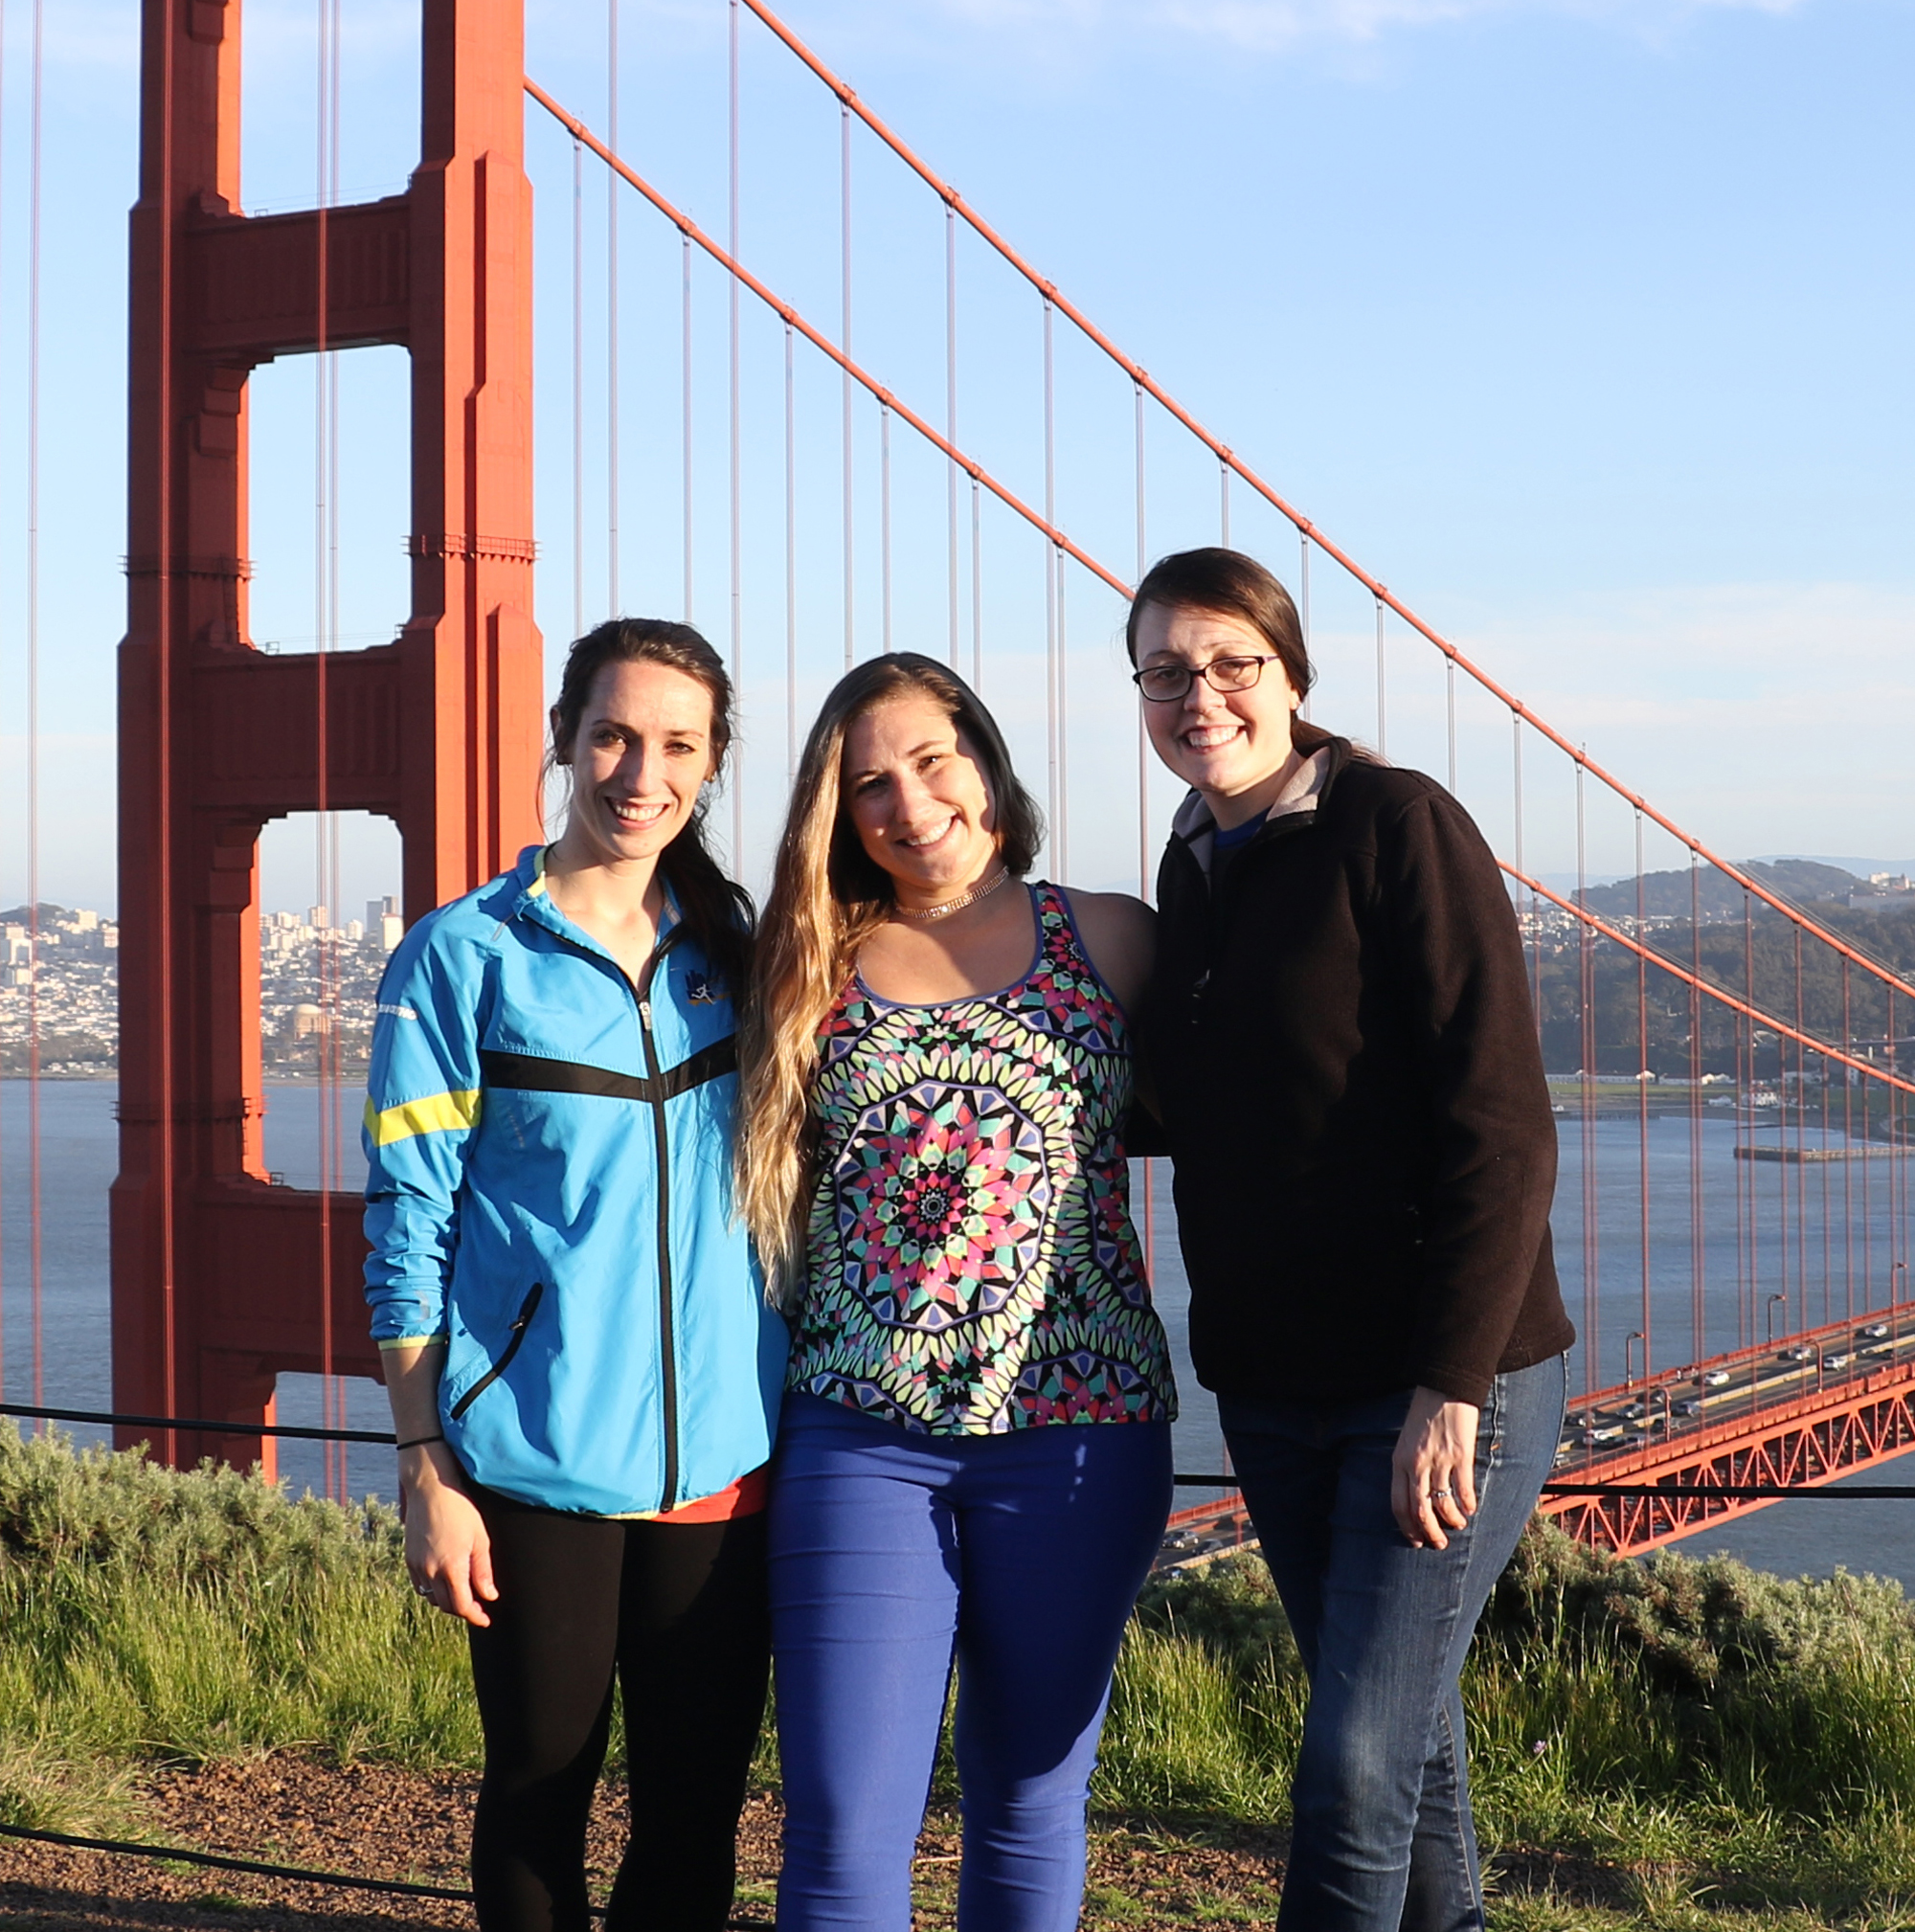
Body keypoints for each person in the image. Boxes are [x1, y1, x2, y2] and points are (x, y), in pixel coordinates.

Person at [1127, 548, 1574, 1932]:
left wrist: (1450, 1387)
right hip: (1274, 1383)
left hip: (1442, 1376)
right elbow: (1207, 1103)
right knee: (1403, 1743)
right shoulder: (1194, 863)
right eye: (1164, 673)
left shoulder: (1398, 824)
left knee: (1353, 1769)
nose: (1199, 696)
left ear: (1291, 675)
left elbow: (1501, 1126)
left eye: (1230, 664)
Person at [738, 652, 1176, 1932]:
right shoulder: (807, 959)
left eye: (932, 758)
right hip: (859, 1439)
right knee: (836, 1826)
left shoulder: (1111, 935)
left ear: (983, 759)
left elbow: (1273, 1093)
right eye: (868, 781)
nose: (908, 800)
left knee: (1031, 1801)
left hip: (1081, 1430)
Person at [362, 618, 787, 1932]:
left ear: (711, 765)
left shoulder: (743, 949)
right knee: (539, 1792)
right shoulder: (463, 954)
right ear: (564, 738)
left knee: (696, 1806)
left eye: (676, 745)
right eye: (612, 734)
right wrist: (426, 1465)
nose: (638, 772)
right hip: (534, 1463)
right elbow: (408, 1218)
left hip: (723, 1458)